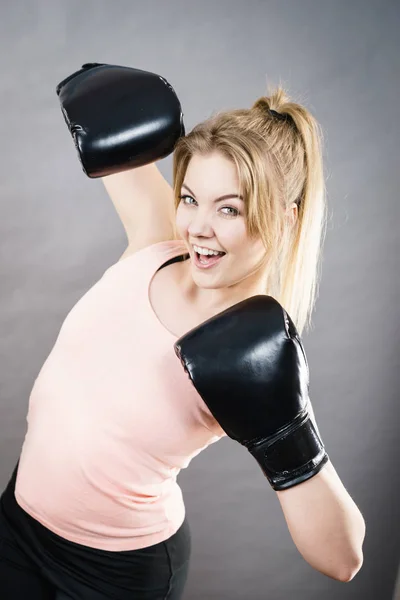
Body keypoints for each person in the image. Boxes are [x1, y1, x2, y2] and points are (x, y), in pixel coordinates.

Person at [0, 63, 365, 600]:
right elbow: (100, 99)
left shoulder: (250, 350)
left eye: (230, 209)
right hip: (18, 521)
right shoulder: (158, 238)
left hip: (118, 573)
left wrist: (290, 437)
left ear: (284, 221)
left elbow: (342, 557)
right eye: (191, 197)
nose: (197, 227)